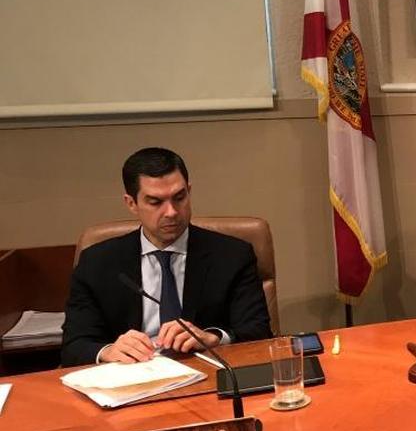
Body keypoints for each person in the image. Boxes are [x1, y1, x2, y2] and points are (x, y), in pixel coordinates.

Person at [61, 148, 273, 366]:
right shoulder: (98, 263)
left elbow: (258, 333)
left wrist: (213, 338)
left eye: (179, 197)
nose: (171, 211)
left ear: (189, 192)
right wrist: (109, 350)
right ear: (131, 203)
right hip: (132, 378)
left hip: (206, 374)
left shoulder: (232, 255)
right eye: (155, 202)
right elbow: (74, 345)